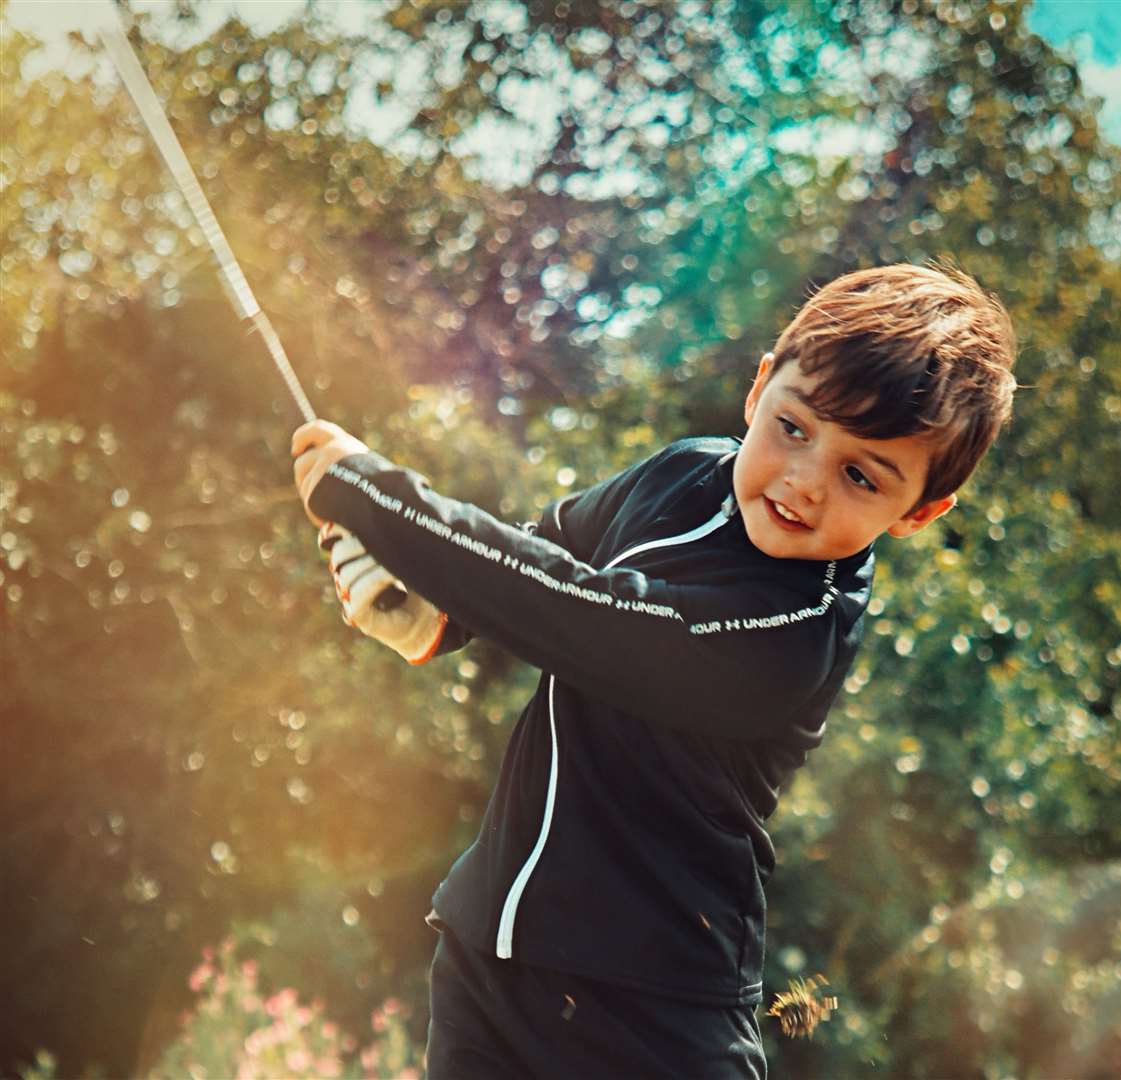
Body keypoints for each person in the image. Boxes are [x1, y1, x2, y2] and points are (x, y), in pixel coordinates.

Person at [291, 262, 1017, 1078]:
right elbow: (542, 551)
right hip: (486, 962)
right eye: (794, 428)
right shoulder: (680, 473)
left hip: (650, 1019)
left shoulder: (792, 634)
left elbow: (585, 616)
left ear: (918, 512)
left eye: (859, 475)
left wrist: (381, 502)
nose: (804, 482)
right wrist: (432, 617)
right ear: (758, 390)